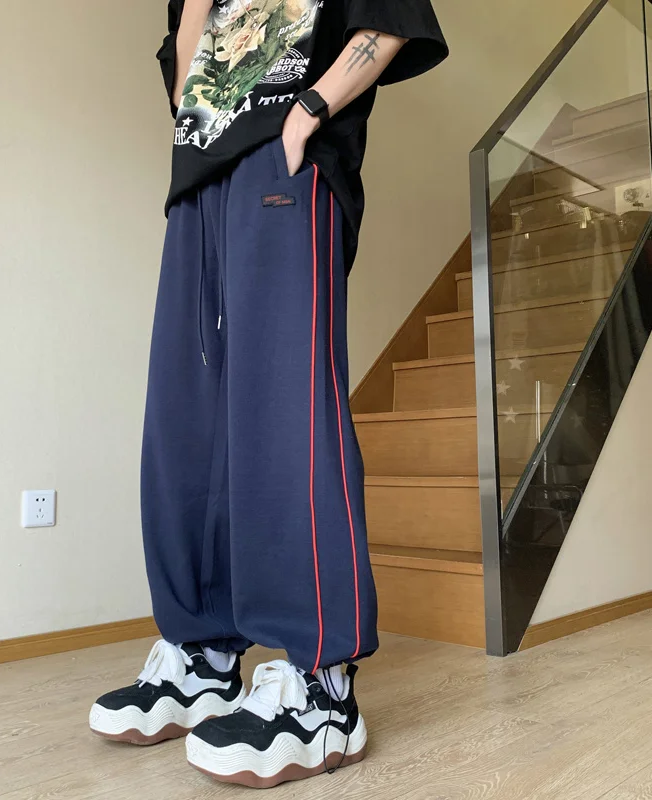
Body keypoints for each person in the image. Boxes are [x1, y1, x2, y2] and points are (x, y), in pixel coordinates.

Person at [89, 0, 447, 788]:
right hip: (200, 176)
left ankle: (323, 688)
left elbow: (389, 20)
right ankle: (203, 654)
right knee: (185, 418)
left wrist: (307, 113)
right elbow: (186, 72)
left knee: (284, 409)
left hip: (289, 160)